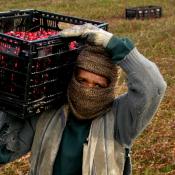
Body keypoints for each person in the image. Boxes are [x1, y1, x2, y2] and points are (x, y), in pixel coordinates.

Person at [0, 23, 166, 175]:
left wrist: (113, 43)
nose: (88, 90)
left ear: (109, 87)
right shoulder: (48, 113)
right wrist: (11, 95)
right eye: (82, 81)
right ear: (73, 78)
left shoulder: (119, 121)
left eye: (98, 85)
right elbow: (5, 152)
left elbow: (153, 86)